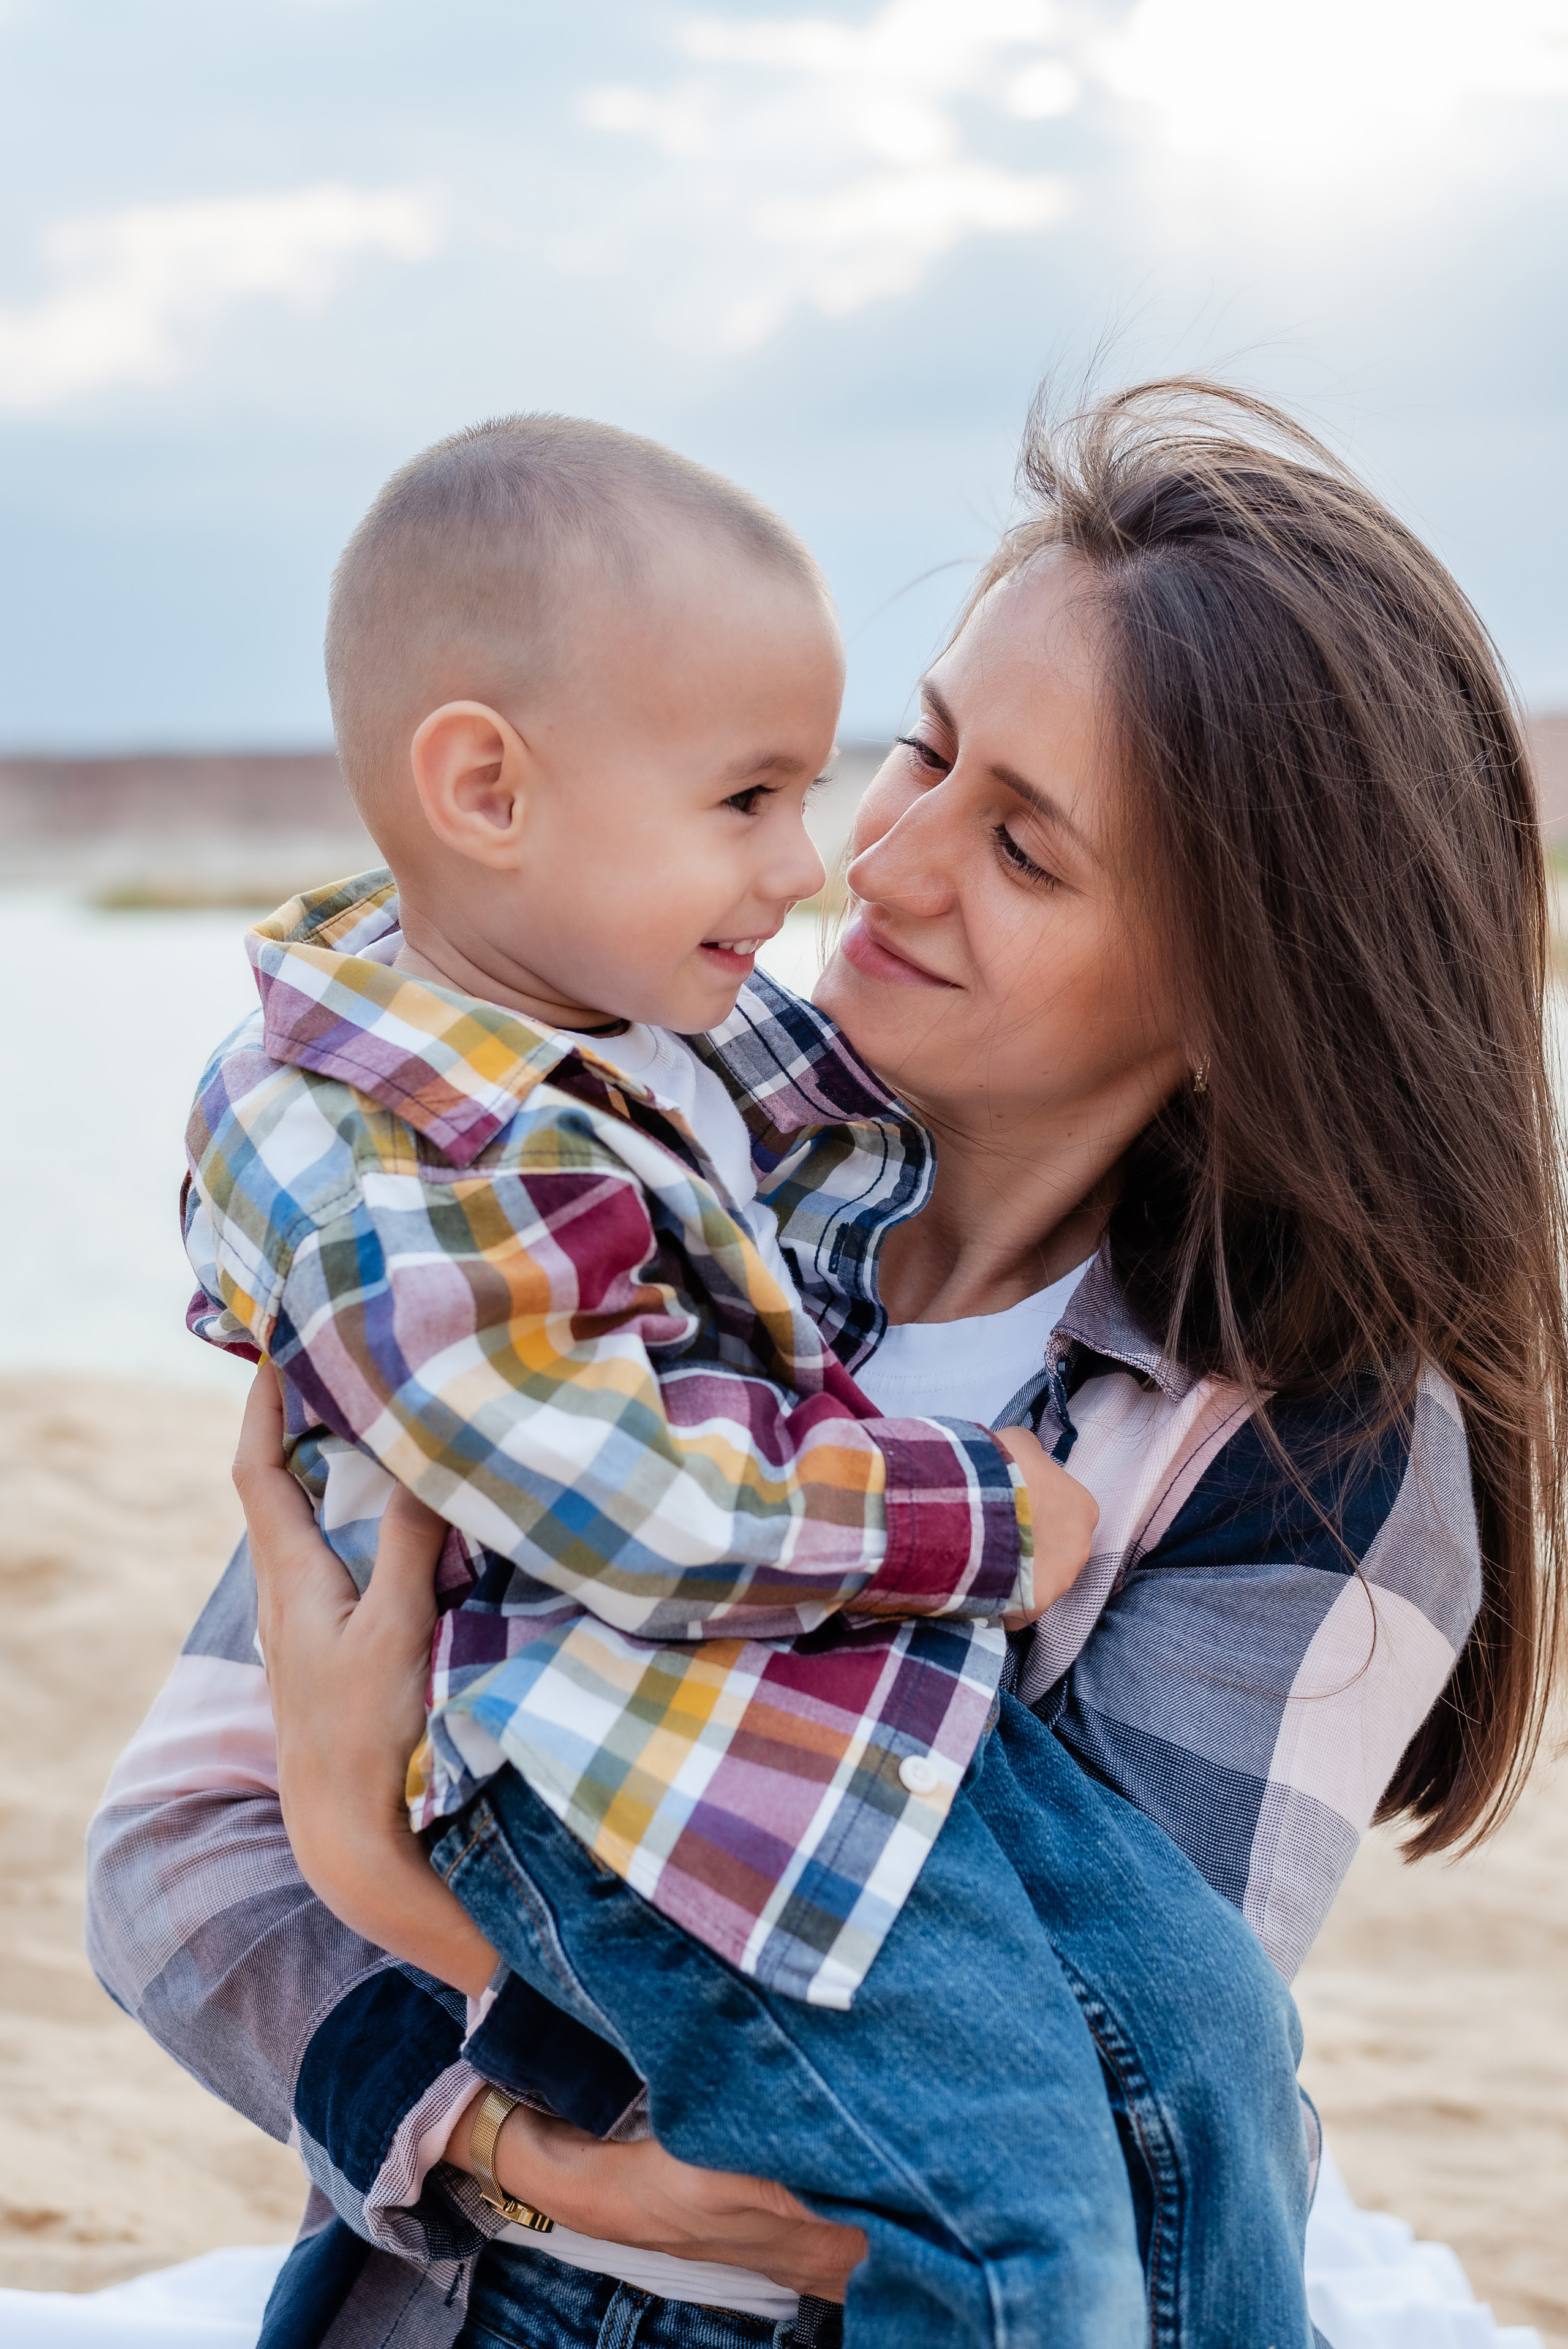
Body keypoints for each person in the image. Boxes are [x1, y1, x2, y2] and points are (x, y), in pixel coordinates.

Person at [86, 379, 1566, 2349]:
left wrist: (367, 1845)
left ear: (1241, 991)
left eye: (1025, 847)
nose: (878, 860)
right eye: (925, 750)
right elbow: (179, 1851)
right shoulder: (619, 1151)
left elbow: (1037, 2105)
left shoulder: (1311, 1453)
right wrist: (516, 2152)